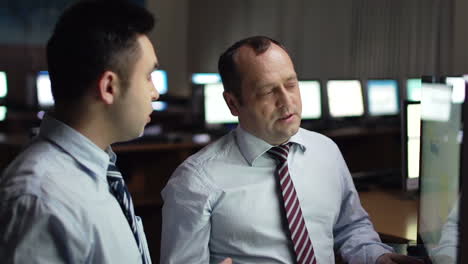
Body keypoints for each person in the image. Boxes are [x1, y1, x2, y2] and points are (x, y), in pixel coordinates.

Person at [160, 36, 422, 264]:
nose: (286, 102)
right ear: (233, 104)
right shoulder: (195, 181)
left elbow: (350, 227)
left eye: (291, 84)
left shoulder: (326, 151)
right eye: (266, 91)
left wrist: (376, 256)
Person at [0, 0, 158, 263]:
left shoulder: (100, 171)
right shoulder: (40, 199)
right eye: (148, 77)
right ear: (109, 87)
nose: (156, 92)